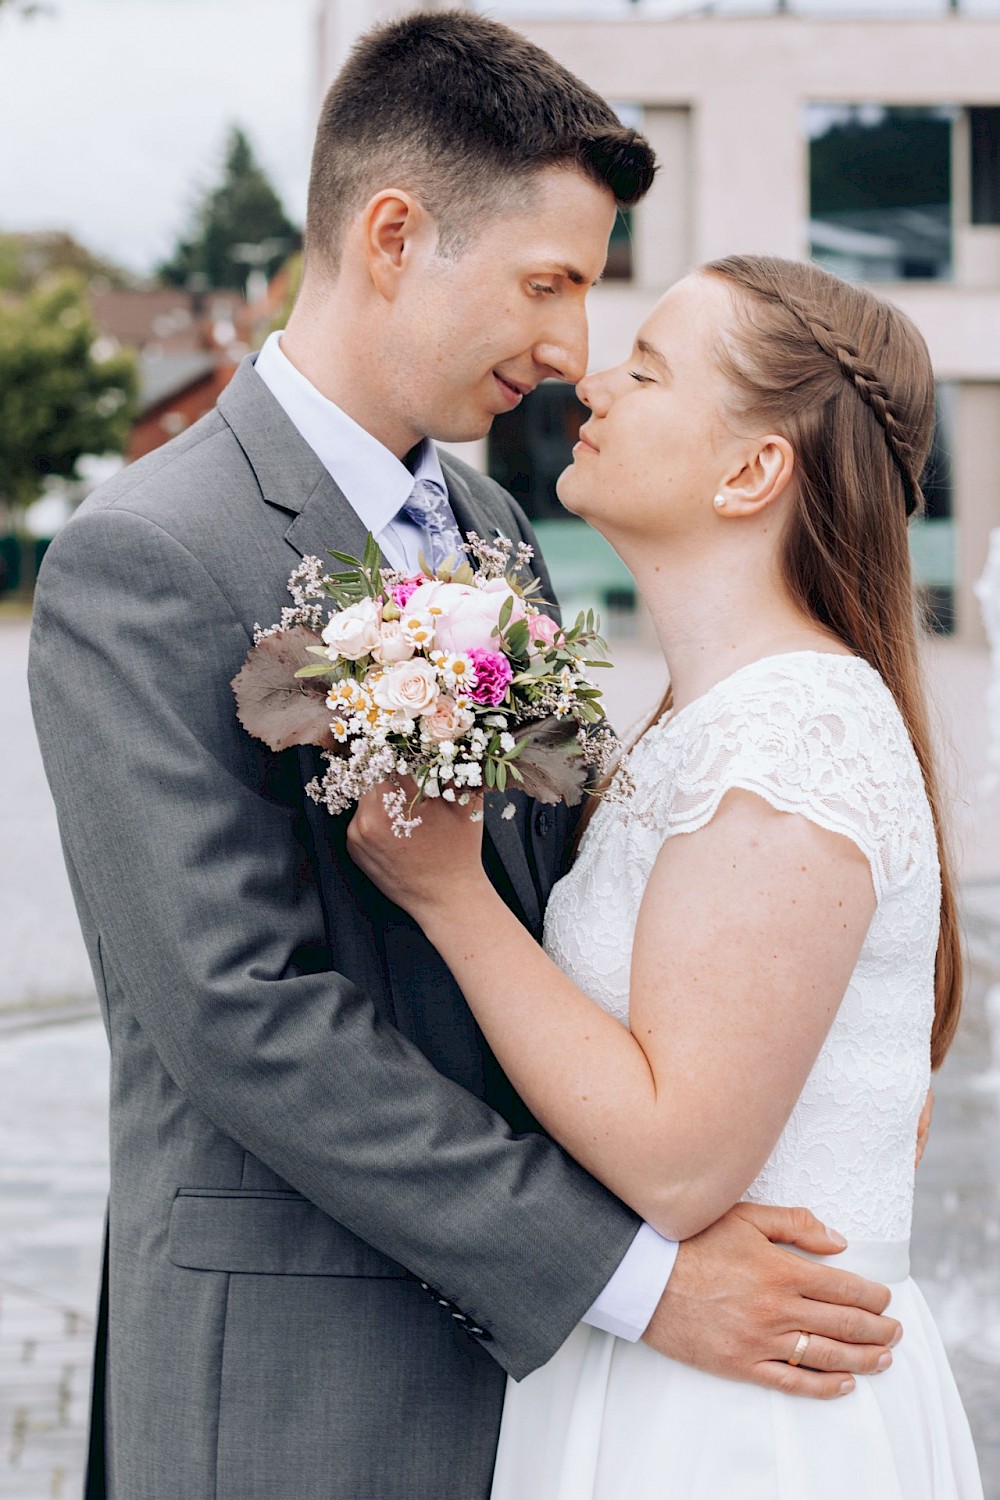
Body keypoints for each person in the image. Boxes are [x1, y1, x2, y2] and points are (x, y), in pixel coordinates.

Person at [29, 14, 904, 1499]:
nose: (570, 353)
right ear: (393, 237)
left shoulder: (501, 537)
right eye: (549, 284)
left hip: (556, 1386)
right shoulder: (148, 556)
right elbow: (240, 1016)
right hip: (301, 1381)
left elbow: (574, 900)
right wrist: (631, 1280)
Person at [348, 255, 984, 1497]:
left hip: (744, 1428)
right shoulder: (720, 713)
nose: (590, 383)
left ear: (751, 472)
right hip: (676, 1374)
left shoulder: (793, 731)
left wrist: (448, 895)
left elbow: (682, 1161)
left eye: (646, 369)